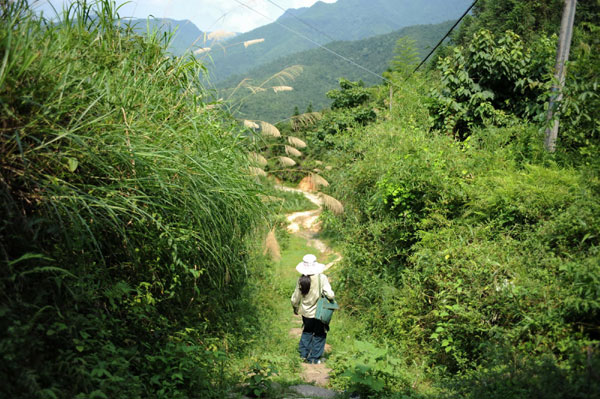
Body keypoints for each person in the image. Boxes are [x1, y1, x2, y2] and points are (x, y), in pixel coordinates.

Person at [291, 254, 334, 364]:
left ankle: (303, 355)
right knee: (319, 334)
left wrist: (295, 307)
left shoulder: (301, 280)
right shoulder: (322, 278)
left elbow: (295, 297)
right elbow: (330, 295)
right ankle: (314, 358)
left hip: (306, 313)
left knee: (307, 331)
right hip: (320, 313)